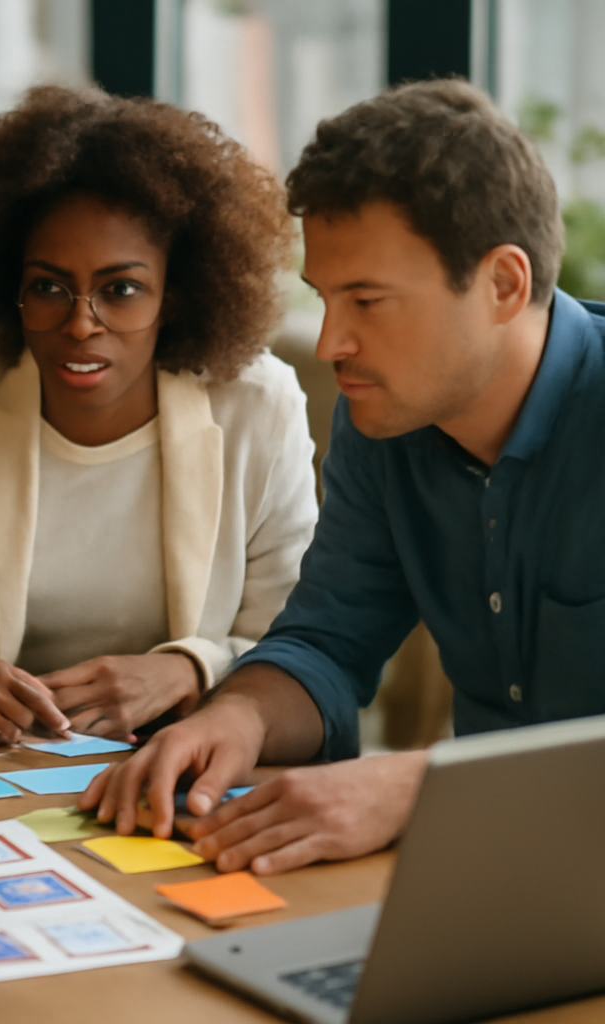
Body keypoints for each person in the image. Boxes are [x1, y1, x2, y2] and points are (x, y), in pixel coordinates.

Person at [84, 79, 599, 875]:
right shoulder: (384, 418)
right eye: (325, 297)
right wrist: (237, 721)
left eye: (368, 300)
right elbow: (328, 639)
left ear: (503, 285)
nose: (330, 344)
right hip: (501, 879)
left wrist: (426, 785)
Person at [0, 86, 318, 746]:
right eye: (48, 287)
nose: (80, 324)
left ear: (177, 293)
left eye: (120, 290)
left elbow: (301, 646)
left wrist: (189, 669)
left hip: (178, 762)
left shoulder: (259, 409)